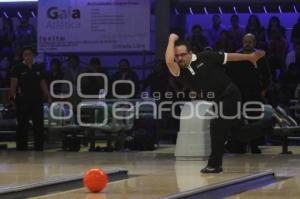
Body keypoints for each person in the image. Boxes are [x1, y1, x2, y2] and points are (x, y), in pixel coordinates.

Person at [165, 33, 271, 173]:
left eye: (182, 54)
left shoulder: (206, 56)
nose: (179, 58)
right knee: (240, 134)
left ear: (190, 53)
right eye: (177, 56)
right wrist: (171, 40)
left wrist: (250, 57)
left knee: (216, 126)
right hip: (218, 100)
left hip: (230, 94)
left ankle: (214, 165)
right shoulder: (180, 71)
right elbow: (168, 62)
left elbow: (229, 57)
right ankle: (271, 123)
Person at [226, 34, 272, 154]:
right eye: (245, 41)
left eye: (250, 42)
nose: (247, 44)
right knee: (238, 120)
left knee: (255, 119)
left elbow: (267, 75)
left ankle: (255, 145)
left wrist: (264, 89)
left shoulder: (259, 56)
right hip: (238, 92)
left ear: (254, 42)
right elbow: (229, 75)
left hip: (255, 92)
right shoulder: (236, 56)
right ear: (242, 42)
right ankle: (239, 145)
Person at [9, 46, 52, 151]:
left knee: (39, 126)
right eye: (25, 54)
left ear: (33, 55)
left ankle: (39, 148)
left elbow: (42, 83)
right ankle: (21, 149)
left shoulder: (38, 68)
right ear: (22, 56)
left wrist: (48, 96)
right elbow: (13, 85)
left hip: (37, 101)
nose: (27, 56)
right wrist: (11, 100)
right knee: (22, 126)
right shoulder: (17, 68)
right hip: (22, 102)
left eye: (29, 54)